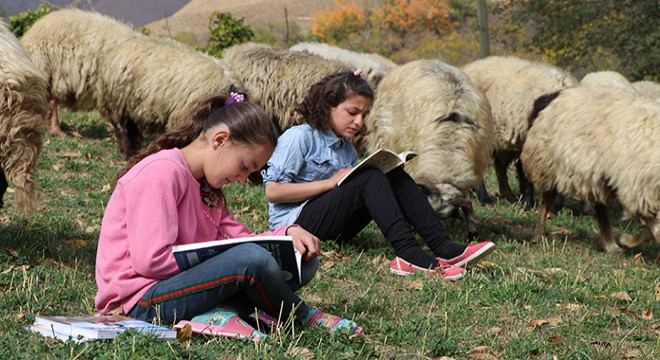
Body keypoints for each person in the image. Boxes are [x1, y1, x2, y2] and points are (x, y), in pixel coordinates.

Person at [94, 92, 362, 340]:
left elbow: (240, 238)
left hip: (180, 289)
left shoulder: (208, 187)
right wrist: (224, 260)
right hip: (140, 301)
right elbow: (150, 262)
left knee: (301, 260)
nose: (243, 179)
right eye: (245, 166)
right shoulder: (162, 173)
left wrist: (287, 234)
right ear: (220, 140)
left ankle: (218, 315)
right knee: (250, 259)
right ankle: (305, 316)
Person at [262, 70, 495, 279]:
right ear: (328, 106)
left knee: (391, 173)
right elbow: (274, 192)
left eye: (364, 115)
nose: (358, 122)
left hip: (334, 227)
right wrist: (330, 183)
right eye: (352, 112)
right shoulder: (299, 137)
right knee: (370, 177)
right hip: (297, 227)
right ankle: (408, 253)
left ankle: (443, 245)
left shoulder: (346, 147)